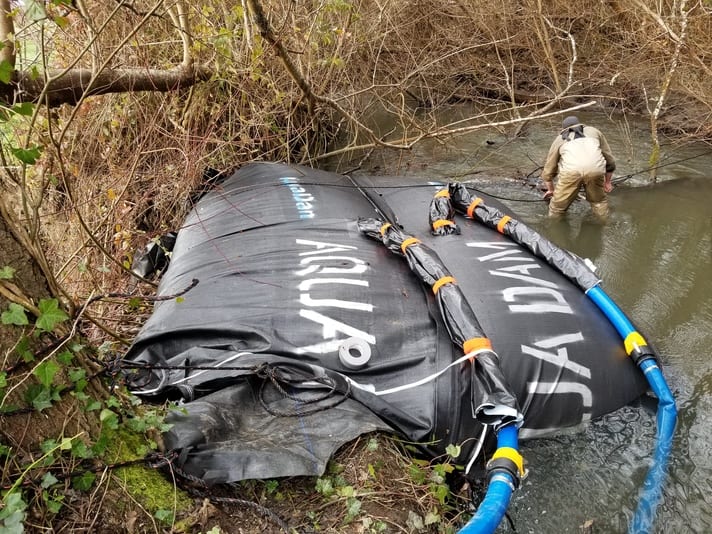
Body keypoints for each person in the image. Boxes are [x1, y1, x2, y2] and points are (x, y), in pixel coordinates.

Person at [541, 115, 615, 219]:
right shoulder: (594, 132)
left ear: (564, 129)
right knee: (599, 202)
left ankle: (554, 231)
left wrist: (551, 190)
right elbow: (610, 161)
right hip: (596, 170)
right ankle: (604, 224)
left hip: (570, 172)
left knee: (557, 208)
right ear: (580, 124)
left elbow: (549, 170)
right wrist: (607, 182)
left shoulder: (559, 139)